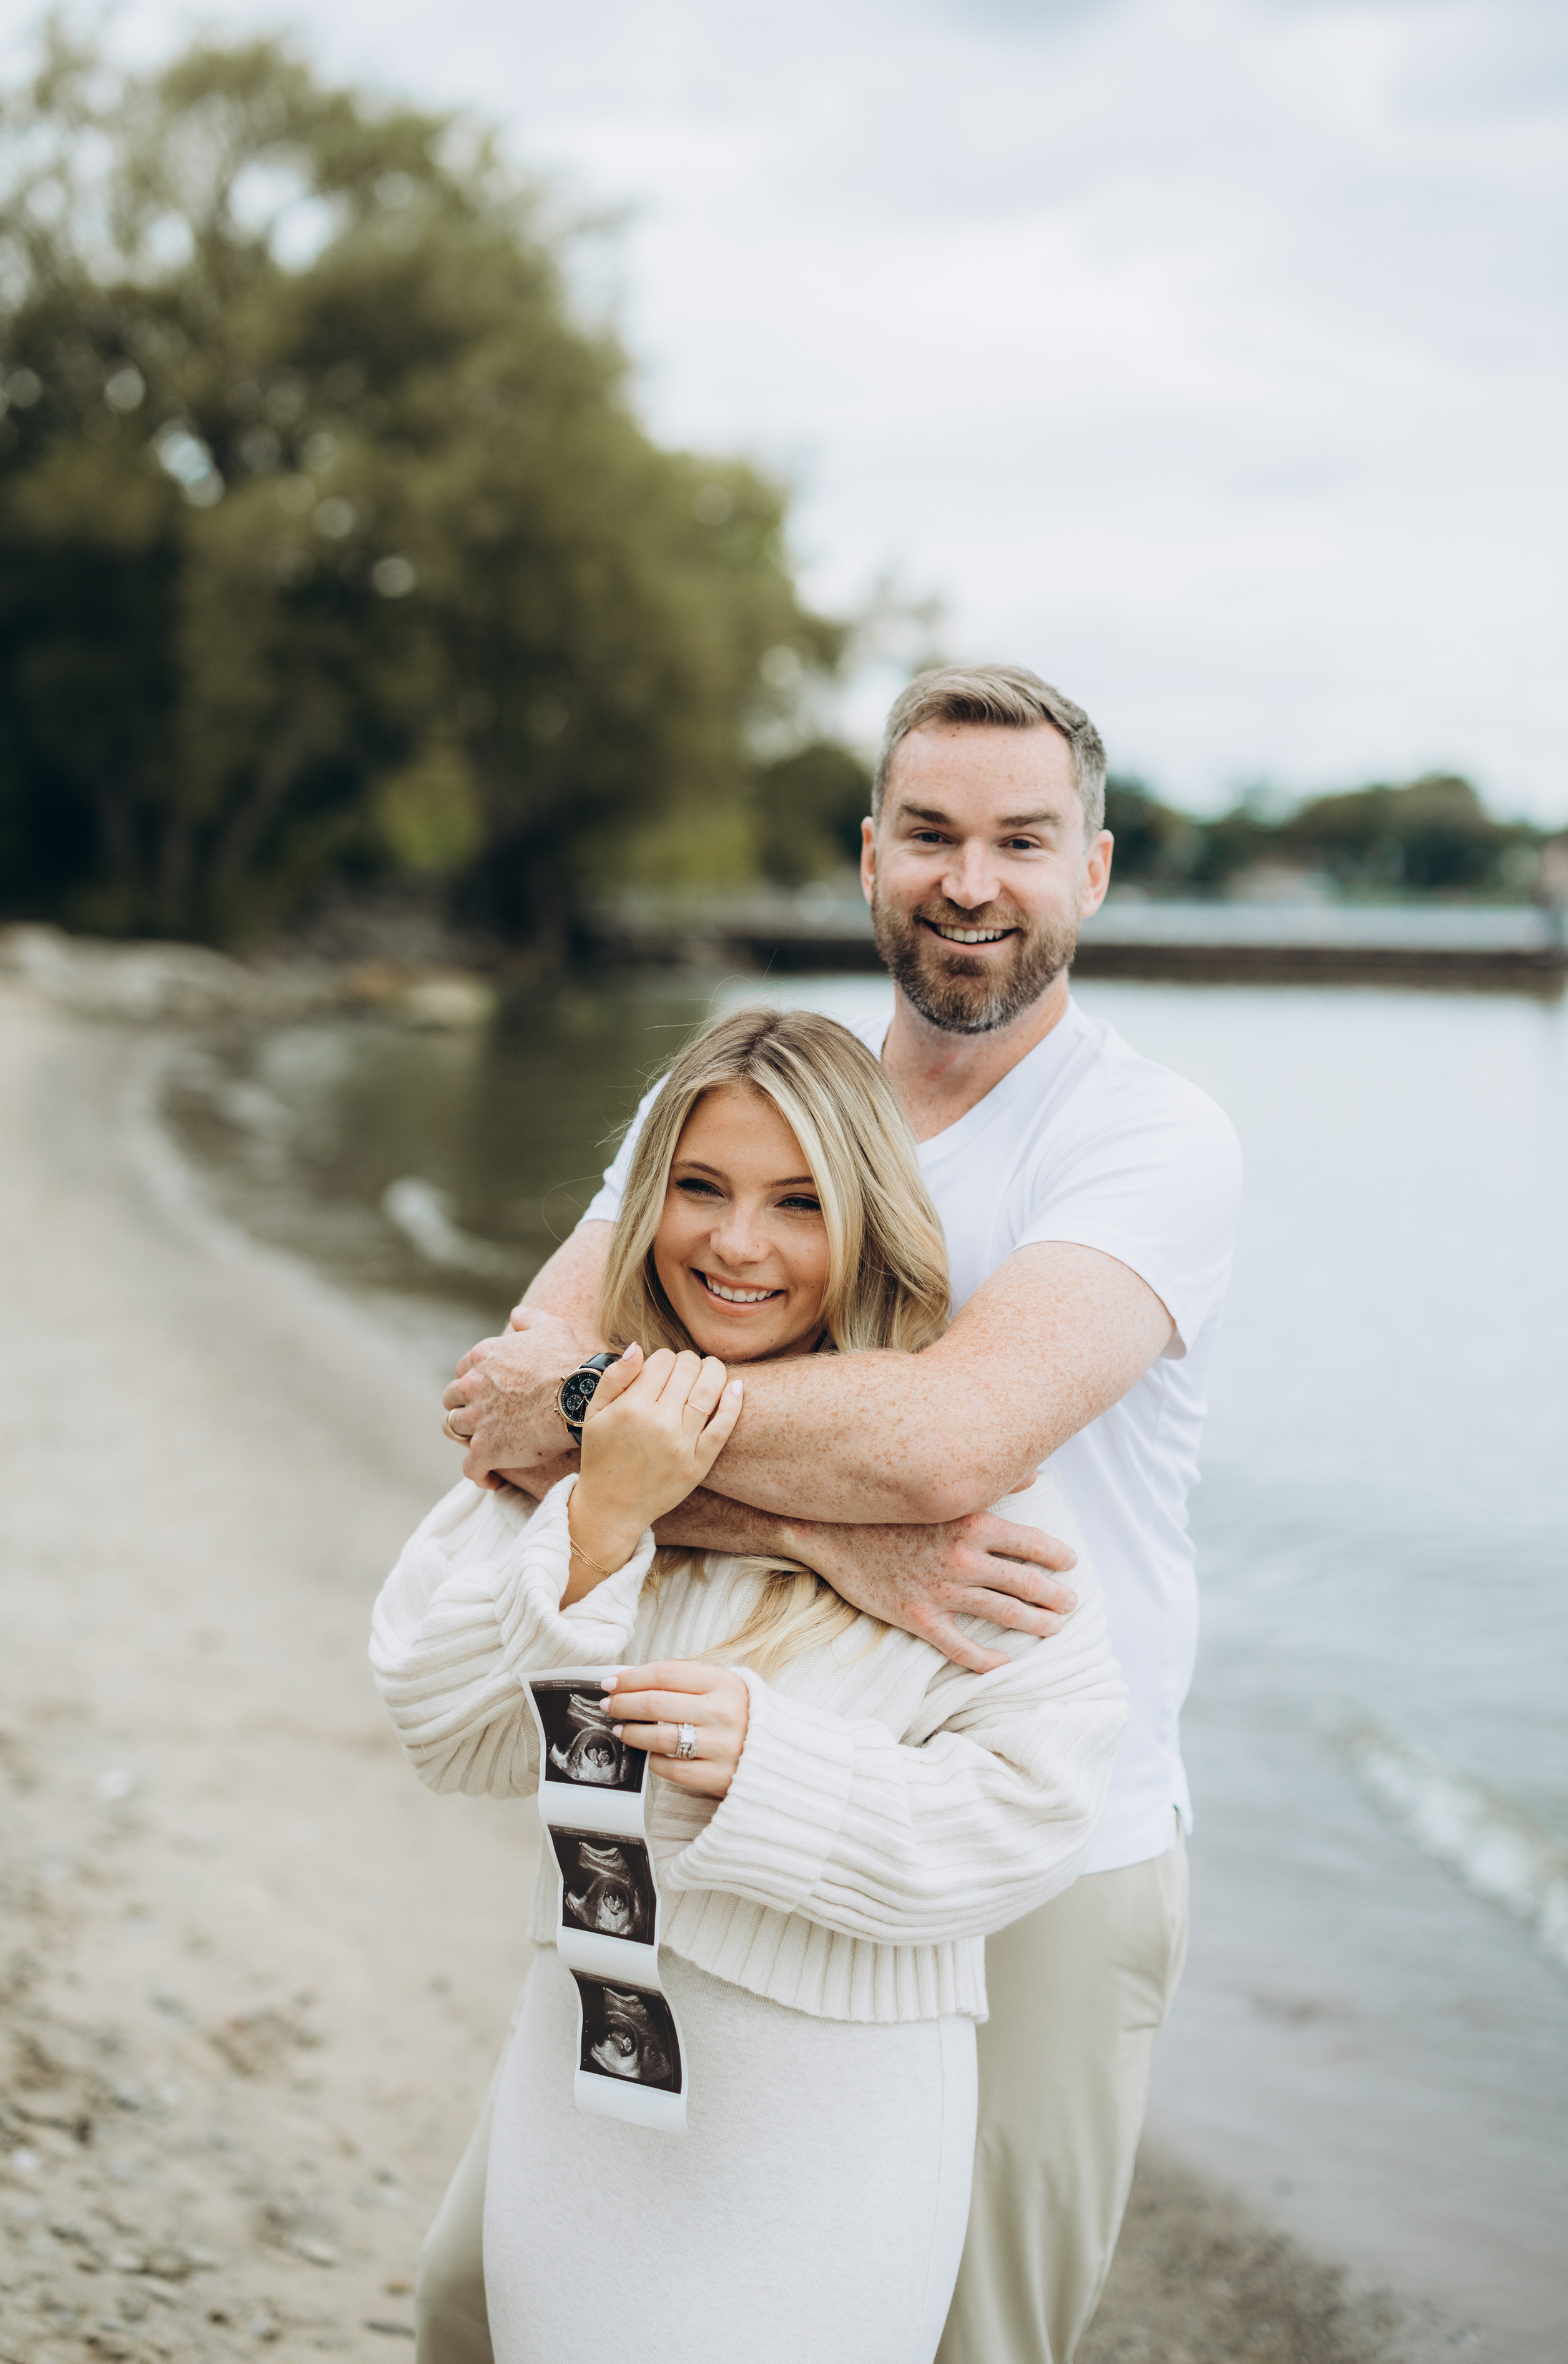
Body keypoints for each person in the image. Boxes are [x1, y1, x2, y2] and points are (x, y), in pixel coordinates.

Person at [428, 663, 1243, 2364]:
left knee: (964, 2339)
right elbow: (512, 1406)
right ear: (870, 857)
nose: (973, 880)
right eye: (932, 833)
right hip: (709, 1801)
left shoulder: (1150, 1139)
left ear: (1091, 874)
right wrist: (817, 1529)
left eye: (1024, 841)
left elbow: (948, 1445)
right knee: (487, 2304)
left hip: (1037, 1833)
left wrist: (632, 1439)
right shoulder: (745, 1105)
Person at [372, 1006, 1128, 2364]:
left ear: (867, 1222)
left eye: (796, 1203)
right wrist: (601, 1529)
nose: (736, 1244)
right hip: (582, 2086)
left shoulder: (960, 1509)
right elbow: (443, 1730)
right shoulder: (581, 1460)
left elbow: (1032, 1810)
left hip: (830, 2132)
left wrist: (770, 1770)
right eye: (700, 1189)